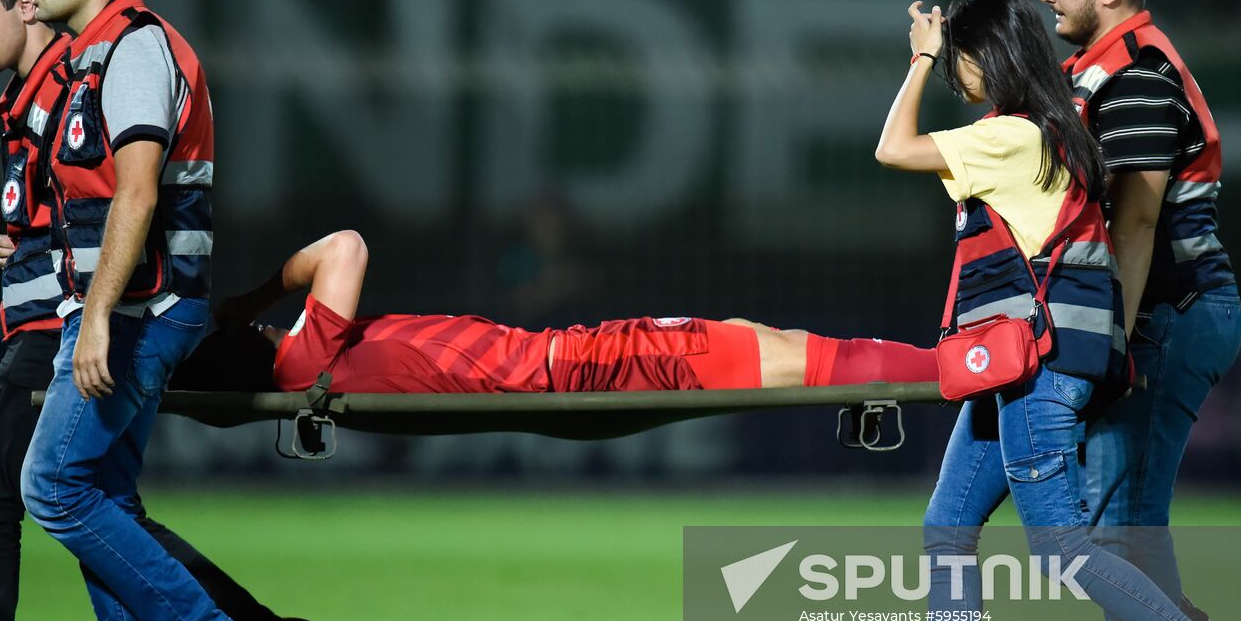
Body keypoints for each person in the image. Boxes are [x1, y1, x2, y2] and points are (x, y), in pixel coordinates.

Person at [851, 0, 1241, 621]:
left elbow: (891, 147)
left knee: (1061, 547)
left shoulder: (1011, 137)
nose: (956, 78)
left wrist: (918, 57)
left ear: (987, 57)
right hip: (1011, 365)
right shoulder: (1046, 130)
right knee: (948, 523)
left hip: (1033, 373)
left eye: (960, 65)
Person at [0, 0, 321, 621]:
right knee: (96, 501)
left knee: (35, 492)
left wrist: (93, 307)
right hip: (79, 312)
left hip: (84, 319)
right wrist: (29, 244)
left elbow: (130, 200)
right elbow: (78, 210)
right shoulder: (47, 88)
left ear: (31, 5)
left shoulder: (102, 64)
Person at [13, 0, 247, 621]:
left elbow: (140, 192)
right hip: (124, 304)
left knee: (52, 485)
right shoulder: (92, 56)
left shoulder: (136, 47)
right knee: (97, 490)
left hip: (143, 310)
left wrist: (100, 315)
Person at [1038, 0, 1241, 621]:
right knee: (1116, 517)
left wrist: (1108, 345)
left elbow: (1137, 223)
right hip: (1157, 312)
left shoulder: (1136, 74)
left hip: (1167, 313)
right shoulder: (1103, 67)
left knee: (1113, 519)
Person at [199, 230, 940, 400]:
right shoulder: (302, 357)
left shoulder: (310, 357)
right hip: (579, 366)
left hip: (572, 353)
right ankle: (960, 368)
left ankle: (953, 364)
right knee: (795, 360)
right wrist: (255, 299)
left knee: (757, 337)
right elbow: (346, 248)